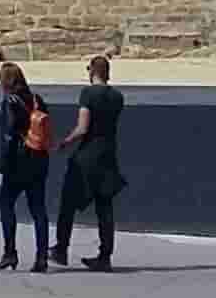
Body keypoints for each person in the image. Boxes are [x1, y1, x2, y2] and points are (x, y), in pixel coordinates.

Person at [49, 55, 127, 272]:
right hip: (108, 156)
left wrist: (64, 142)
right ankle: (105, 256)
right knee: (105, 207)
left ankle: (61, 249)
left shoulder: (88, 94)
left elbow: (83, 128)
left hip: (87, 157)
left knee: (68, 203)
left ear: (92, 71)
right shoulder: (118, 97)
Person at [0, 60, 52, 271]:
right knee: (38, 210)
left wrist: (1, 167)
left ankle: (10, 253)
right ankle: (42, 258)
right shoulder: (37, 99)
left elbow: (9, 136)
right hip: (39, 159)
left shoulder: (9, 101)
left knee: (6, 205)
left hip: (17, 163)